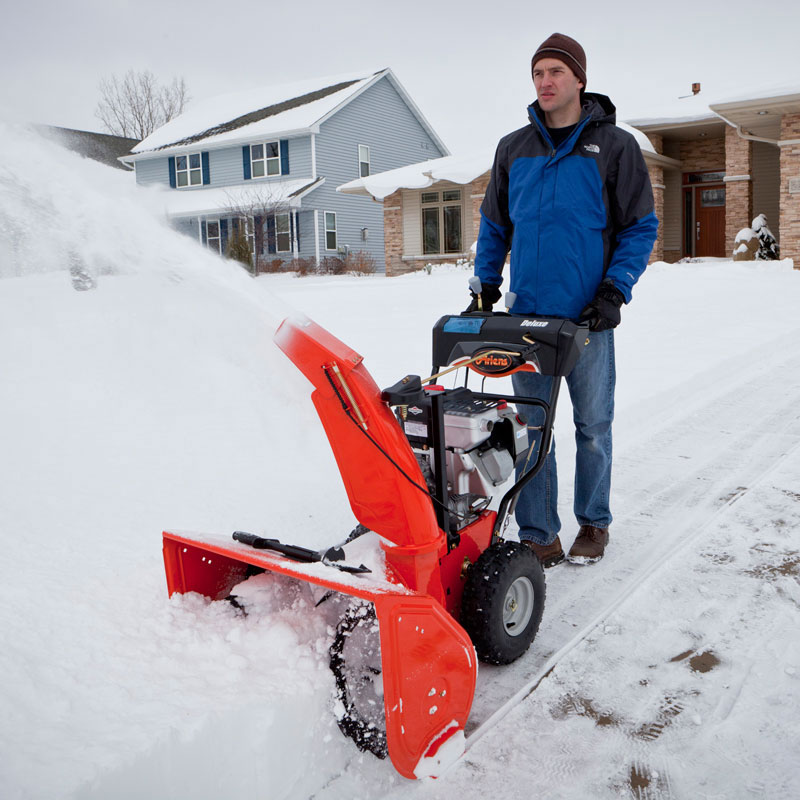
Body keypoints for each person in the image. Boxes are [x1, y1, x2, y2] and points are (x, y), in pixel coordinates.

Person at [468, 32, 658, 567]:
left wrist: (614, 289)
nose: (545, 82)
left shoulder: (614, 146)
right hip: (527, 319)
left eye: (555, 71)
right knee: (532, 431)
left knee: (592, 427)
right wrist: (485, 284)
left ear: (579, 79)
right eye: (537, 73)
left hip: (588, 319)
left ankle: (593, 523)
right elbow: (494, 225)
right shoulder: (514, 148)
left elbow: (640, 228)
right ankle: (539, 532)